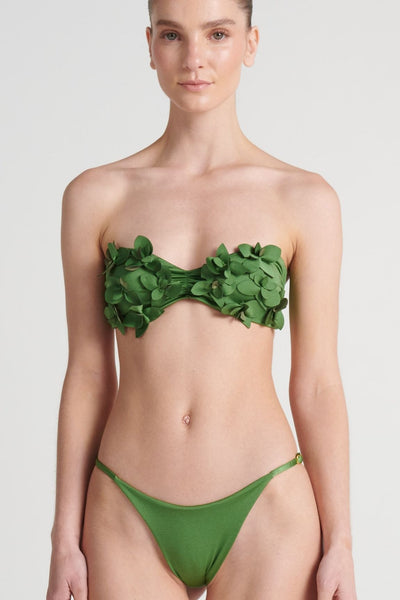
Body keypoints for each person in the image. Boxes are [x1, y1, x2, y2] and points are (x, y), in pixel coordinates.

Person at [46, 1, 357, 599]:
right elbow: (88, 372)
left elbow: (318, 382)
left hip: (266, 505)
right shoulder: (95, 196)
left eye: (217, 34)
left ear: (251, 43)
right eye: (173, 35)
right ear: (150, 44)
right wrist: (63, 535)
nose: (194, 59)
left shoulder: (305, 200)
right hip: (125, 505)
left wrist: (341, 540)